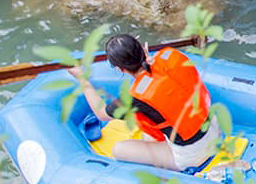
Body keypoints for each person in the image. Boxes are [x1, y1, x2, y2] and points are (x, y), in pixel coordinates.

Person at [70, 34, 225, 173]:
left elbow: (101, 113)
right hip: (214, 130)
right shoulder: (170, 55)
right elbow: (162, 80)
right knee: (150, 123)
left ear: (120, 69)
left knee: (119, 149)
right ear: (144, 49)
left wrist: (83, 80)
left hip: (193, 155)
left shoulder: (134, 99)